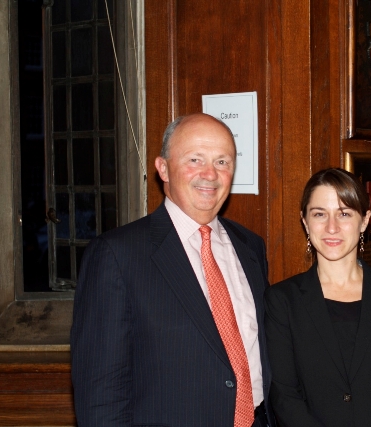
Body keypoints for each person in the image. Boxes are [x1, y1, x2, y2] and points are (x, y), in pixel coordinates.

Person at [71, 113, 275, 427]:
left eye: (223, 162)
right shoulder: (117, 255)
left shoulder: (251, 247)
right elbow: (101, 391)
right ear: (163, 168)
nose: (210, 174)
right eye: (195, 159)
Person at [264, 168, 371, 427]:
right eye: (319, 214)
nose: (332, 227)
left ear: (364, 221)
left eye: (344, 214)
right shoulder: (282, 300)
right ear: (305, 222)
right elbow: (284, 395)